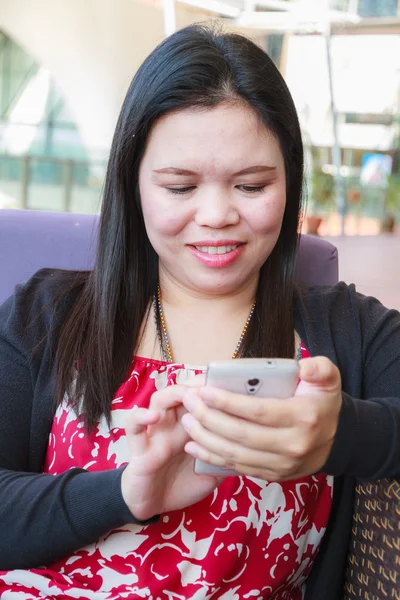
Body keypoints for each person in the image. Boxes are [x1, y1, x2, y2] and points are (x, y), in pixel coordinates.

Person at [0, 23, 399, 600]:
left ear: (290, 182)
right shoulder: (47, 314)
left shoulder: (346, 328)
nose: (215, 215)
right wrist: (125, 493)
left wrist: (342, 433)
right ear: (132, 183)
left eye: (251, 184)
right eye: (180, 187)